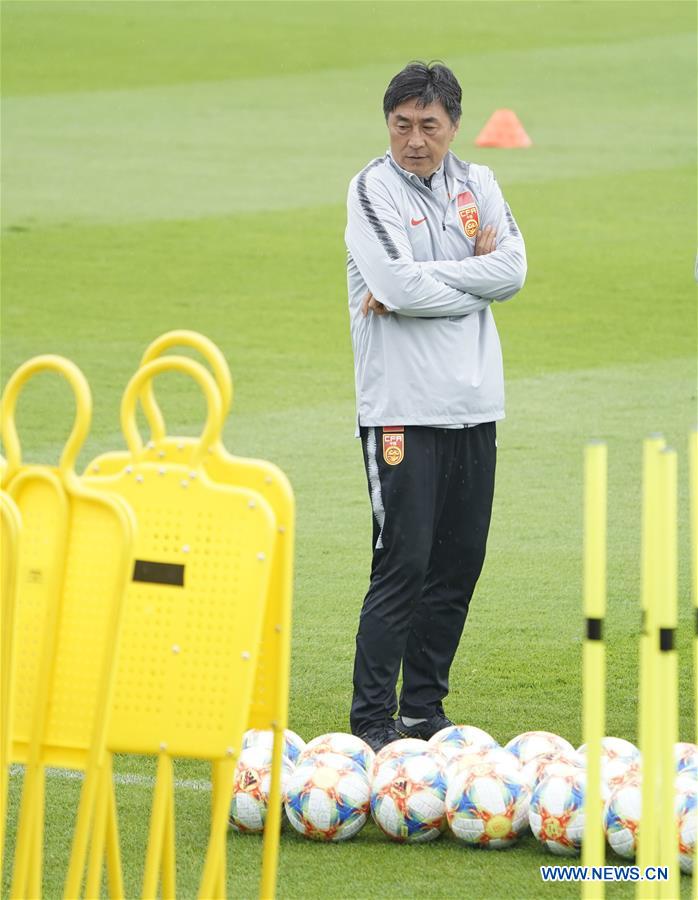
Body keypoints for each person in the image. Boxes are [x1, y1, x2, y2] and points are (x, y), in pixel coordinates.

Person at [344, 61, 527, 752]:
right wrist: (468, 283)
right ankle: (370, 722)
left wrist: (430, 285)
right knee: (403, 563)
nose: (414, 139)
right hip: (400, 408)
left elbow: (513, 270)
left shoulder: (480, 183)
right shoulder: (371, 190)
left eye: (429, 125)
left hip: (475, 404)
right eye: (401, 125)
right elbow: (394, 282)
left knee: (458, 564)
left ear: (454, 125)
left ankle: (423, 710)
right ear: (388, 124)